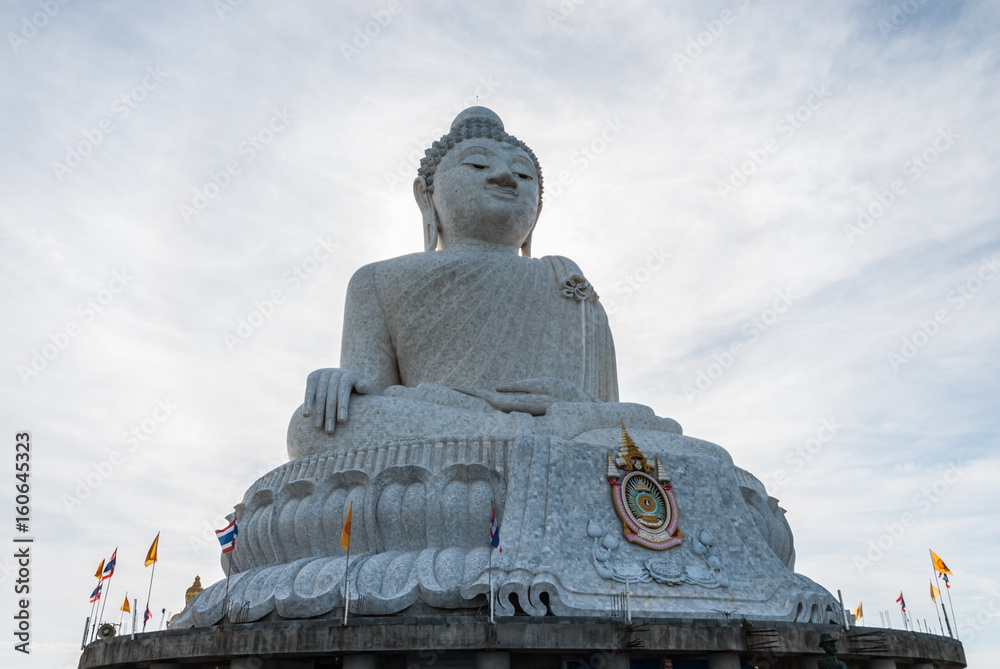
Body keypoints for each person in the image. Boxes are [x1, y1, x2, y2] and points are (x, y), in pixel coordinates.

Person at [287, 107, 623, 459]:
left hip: (559, 425)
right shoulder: (375, 279)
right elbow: (369, 393)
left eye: (524, 175)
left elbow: (608, 415)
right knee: (313, 425)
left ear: (537, 210)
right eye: (478, 165)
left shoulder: (564, 276)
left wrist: (569, 404)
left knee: (656, 436)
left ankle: (528, 439)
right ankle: (536, 441)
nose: (505, 177)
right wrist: (340, 385)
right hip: (450, 418)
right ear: (426, 196)